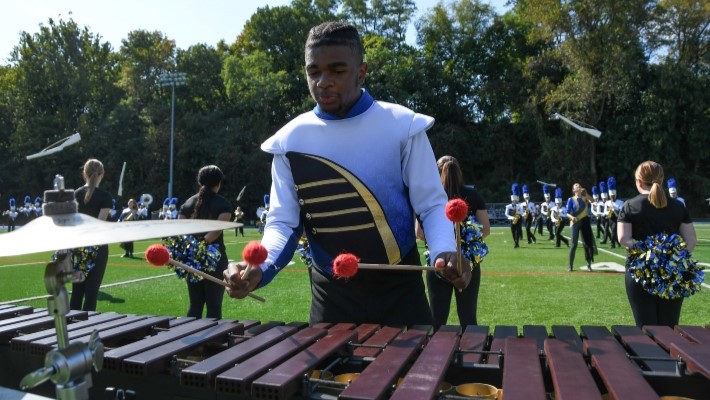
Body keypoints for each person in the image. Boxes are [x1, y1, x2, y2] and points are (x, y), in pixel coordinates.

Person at [223, 21, 469, 327]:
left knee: (414, 376)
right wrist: (258, 268)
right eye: (314, 72)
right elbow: (283, 222)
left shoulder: (402, 125)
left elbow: (431, 205)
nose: (323, 81)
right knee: (328, 376)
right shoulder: (290, 140)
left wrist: (445, 251)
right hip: (331, 296)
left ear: (361, 72)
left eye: (337, 71)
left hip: (401, 291)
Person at [618, 160, 697, 327]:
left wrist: (650, 255)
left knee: (646, 329)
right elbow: (691, 240)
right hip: (673, 271)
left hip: (640, 271)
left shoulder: (629, 206)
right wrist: (672, 258)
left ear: (639, 181)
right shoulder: (677, 206)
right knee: (669, 328)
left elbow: (623, 239)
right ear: (661, 180)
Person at [416, 155, 490, 329]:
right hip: (468, 265)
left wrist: (442, 244)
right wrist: (465, 245)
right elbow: (485, 229)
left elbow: (419, 233)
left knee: (437, 320)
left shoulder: (430, 198)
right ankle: (472, 356)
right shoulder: (473, 194)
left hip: (439, 264)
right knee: (469, 320)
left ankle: (435, 356)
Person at [179, 165, 233, 319]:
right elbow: (216, 231)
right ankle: (214, 342)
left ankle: (190, 340)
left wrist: (193, 248)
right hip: (215, 259)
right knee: (214, 305)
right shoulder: (223, 204)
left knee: (195, 305)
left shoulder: (188, 203)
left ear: (200, 181)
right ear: (219, 182)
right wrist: (202, 245)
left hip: (191, 259)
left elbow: (181, 231)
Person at [71, 159, 113, 311]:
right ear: (102, 174)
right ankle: (87, 330)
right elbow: (99, 224)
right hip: (97, 247)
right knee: (91, 292)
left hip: (78, 246)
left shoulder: (74, 194)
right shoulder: (105, 196)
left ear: (84, 175)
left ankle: (72, 328)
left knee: (76, 292)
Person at [565, 183, 596, 272]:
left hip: (585, 221)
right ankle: (570, 265)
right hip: (575, 222)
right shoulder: (570, 199)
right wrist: (572, 218)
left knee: (587, 243)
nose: (578, 186)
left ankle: (589, 264)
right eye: (576, 186)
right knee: (574, 244)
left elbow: (593, 201)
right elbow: (567, 213)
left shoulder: (585, 198)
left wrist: (586, 194)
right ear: (574, 190)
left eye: (579, 185)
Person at [604, 177, 624, 248]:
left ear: (615, 195)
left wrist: (614, 209)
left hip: (617, 219)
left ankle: (612, 244)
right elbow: (605, 212)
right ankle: (618, 243)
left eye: (613, 196)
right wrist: (609, 211)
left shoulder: (620, 202)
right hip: (610, 219)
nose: (612, 197)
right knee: (614, 233)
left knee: (613, 231)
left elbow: (622, 211)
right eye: (611, 196)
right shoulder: (607, 203)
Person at [504, 183, 524, 248]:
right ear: (512, 200)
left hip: (519, 219)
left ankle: (516, 243)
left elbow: (522, 212)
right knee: (513, 232)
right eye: (513, 200)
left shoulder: (520, 205)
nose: (514, 201)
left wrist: (518, 215)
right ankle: (515, 242)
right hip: (512, 220)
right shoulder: (508, 206)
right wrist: (512, 217)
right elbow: (506, 214)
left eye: (515, 200)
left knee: (517, 231)